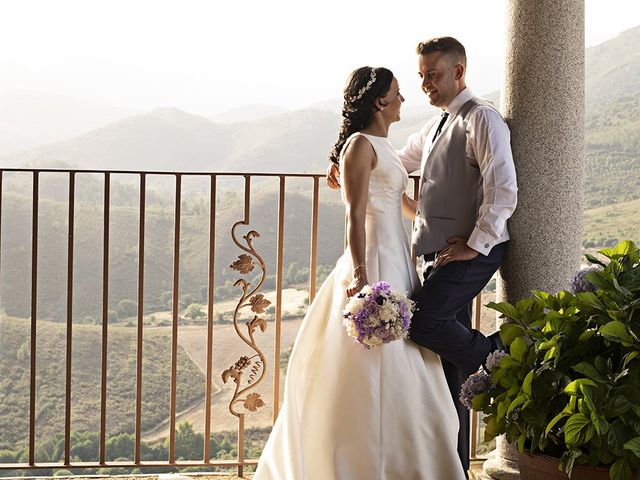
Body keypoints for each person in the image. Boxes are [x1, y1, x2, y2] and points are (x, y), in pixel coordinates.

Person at [253, 66, 466, 480]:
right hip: (371, 255)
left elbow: (403, 200)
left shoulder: (386, 145)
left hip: (398, 258)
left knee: (409, 352)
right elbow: (353, 214)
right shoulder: (358, 146)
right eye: (398, 93)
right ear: (379, 102)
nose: (404, 98)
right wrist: (361, 274)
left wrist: (443, 233)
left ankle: (411, 455)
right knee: (362, 359)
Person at [327, 37, 518, 474]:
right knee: (449, 368)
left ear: (459, 71)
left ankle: (499, 357)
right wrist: (341, 161)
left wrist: (476, 241)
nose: (425, 84)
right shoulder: (433, 128)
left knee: (425, 324)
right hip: (432, 256)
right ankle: (453, 464)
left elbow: (502, 187)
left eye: (433, 75)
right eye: (420, 77)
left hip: (471, 253)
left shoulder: (482, 118)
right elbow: (387, 163)